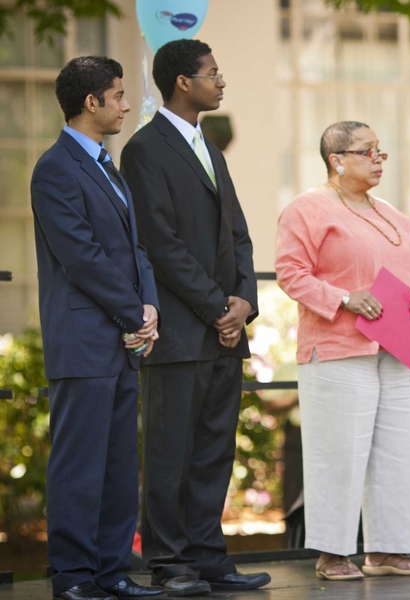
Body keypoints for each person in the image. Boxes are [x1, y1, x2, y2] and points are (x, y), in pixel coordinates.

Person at [120, 40, 270, 595]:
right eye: (212, 73)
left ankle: (210, 558)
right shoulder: (143, 150)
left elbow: (239, 234)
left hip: (222, 332)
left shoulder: (210, 146)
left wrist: (243, 302)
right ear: (183, 82)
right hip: (180, 333)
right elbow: (160, 243)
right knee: (169, 452)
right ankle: (170, 562)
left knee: (214, 450)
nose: (221, 81)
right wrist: (215, 307)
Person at [275, 120, 410, 581]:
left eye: (380, 152)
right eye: (368, 151)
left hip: (396, 343)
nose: (378, 159)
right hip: (338, 345)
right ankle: (333, 552)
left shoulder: (391, 212)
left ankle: (388, 548)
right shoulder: (306, 209)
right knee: (339, 452)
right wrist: (343, 298)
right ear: (337, 159)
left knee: (395, 450)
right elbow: (290, 273)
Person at [32, 56, 163, 600]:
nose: (126, 104)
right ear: (92, 103)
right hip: (85, 340)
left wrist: (149, 308)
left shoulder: (108, 165)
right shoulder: (54, 168)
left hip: (121, 339)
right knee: (79, 466)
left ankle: (111, 571)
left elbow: (133, 248)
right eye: (118, 94)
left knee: (115, 468)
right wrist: (136, 314)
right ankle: (73, 577)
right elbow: (81, 257)